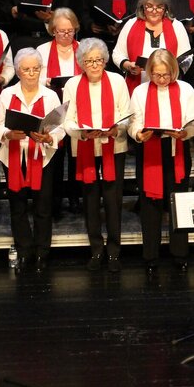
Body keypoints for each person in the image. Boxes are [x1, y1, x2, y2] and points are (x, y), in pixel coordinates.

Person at [0, 48, 66, 274]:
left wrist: (49, 136)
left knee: (43, 205)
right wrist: (6, 134)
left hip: (42, 155)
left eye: (35, 69)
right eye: (26, 69)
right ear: (19, 71)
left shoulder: (50, 95)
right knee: (18, 204)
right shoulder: (7, 94)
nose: (31, 73)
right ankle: (24, 250)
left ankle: (42, 252)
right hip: (14, 154)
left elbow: (60, 126)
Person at [63, 38, 131, 272]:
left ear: (104, 61)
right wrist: (81, 134)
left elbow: (126, 114)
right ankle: (96, 250)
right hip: (85, 147)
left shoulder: (117, 81)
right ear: (81, 62)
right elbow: (67, 120)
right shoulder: (72, 84)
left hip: (114, 146)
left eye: (98, 60)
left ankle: (114, 252)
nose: (94, 65)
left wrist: (117, 128)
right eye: (89, 61)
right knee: (90, 201)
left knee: (113, 201)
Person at [129, 50, 194, 276]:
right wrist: (139, 134)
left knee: (178, 202)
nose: (161, 80)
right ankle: (151, 256)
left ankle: (180, 254)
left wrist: (186, 132)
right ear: (150, 72)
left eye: (166, 75)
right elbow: (134, 122)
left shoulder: (186, 89)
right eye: (157, 75)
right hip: (150, 150)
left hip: (176, 150)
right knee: (150, 205)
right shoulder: (140, 91)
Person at [36, 7, 82, 216]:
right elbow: (33, 77)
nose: (66, 35)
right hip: (51, 108)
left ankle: (74, 196)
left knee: (75, 156)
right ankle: (54, 199)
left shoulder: (82, 49)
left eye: (70, 31)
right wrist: (45, 82)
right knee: (54, 155)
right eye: (61, 31)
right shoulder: (42, 50)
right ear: (53, 30)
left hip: (77, 109)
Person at [113, 0, 192, 94]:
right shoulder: (131, 25)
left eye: (159, 7)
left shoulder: (176, 26)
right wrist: (128, 66)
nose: (154, 11)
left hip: (168, 88)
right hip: (137, 88)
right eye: (149, 6)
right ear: (142, 6)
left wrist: (170, 71)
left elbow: (187, 58)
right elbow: (117, 54)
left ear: (166, 8)